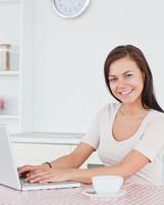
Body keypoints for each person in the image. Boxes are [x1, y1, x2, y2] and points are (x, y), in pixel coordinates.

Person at [18, 44, 164, 185]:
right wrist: (43, 168)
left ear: (143, 75)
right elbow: (75, 158)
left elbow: (122, 171)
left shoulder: (158, 122)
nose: (121, 85)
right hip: (110, 196)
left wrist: (65, 174)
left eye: (128, 75)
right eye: (113, 79)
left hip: (146, 198)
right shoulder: (107, 113)